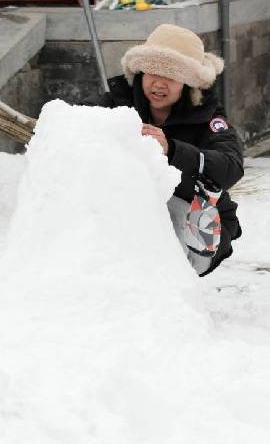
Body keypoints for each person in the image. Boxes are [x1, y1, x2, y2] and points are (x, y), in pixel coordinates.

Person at [100, 23, 244, 277]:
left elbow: (231, 166)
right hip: (126, 208)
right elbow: (72, 124)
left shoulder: (208, 116)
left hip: (196, 219)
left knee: (171, 216)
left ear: (189, 83)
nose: (159, 83)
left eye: (172, 76)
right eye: (153, 72)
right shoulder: (116, 102)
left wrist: (173, 150)